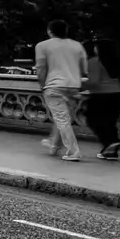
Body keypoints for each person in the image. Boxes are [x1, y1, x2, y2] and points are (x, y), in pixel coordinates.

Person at [33, 19, 88, 162]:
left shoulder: (42, 45)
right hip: (74, 86)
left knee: (62, 119)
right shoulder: (77, 46)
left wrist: (42, 85)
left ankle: (73, 151)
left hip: (54, 86)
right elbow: (84, 69)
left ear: (49, 31)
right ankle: (54, 144)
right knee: (64, 119)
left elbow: (41, 68)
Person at [83, 37, 120, 161]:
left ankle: (109, 142)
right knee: (110, 122)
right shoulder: (116, 61)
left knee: (93, 120)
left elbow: (94, 82)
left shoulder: (94, 61)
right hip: (117, 95)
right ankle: (111, 150)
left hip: (101, 95)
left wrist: (77, 87)